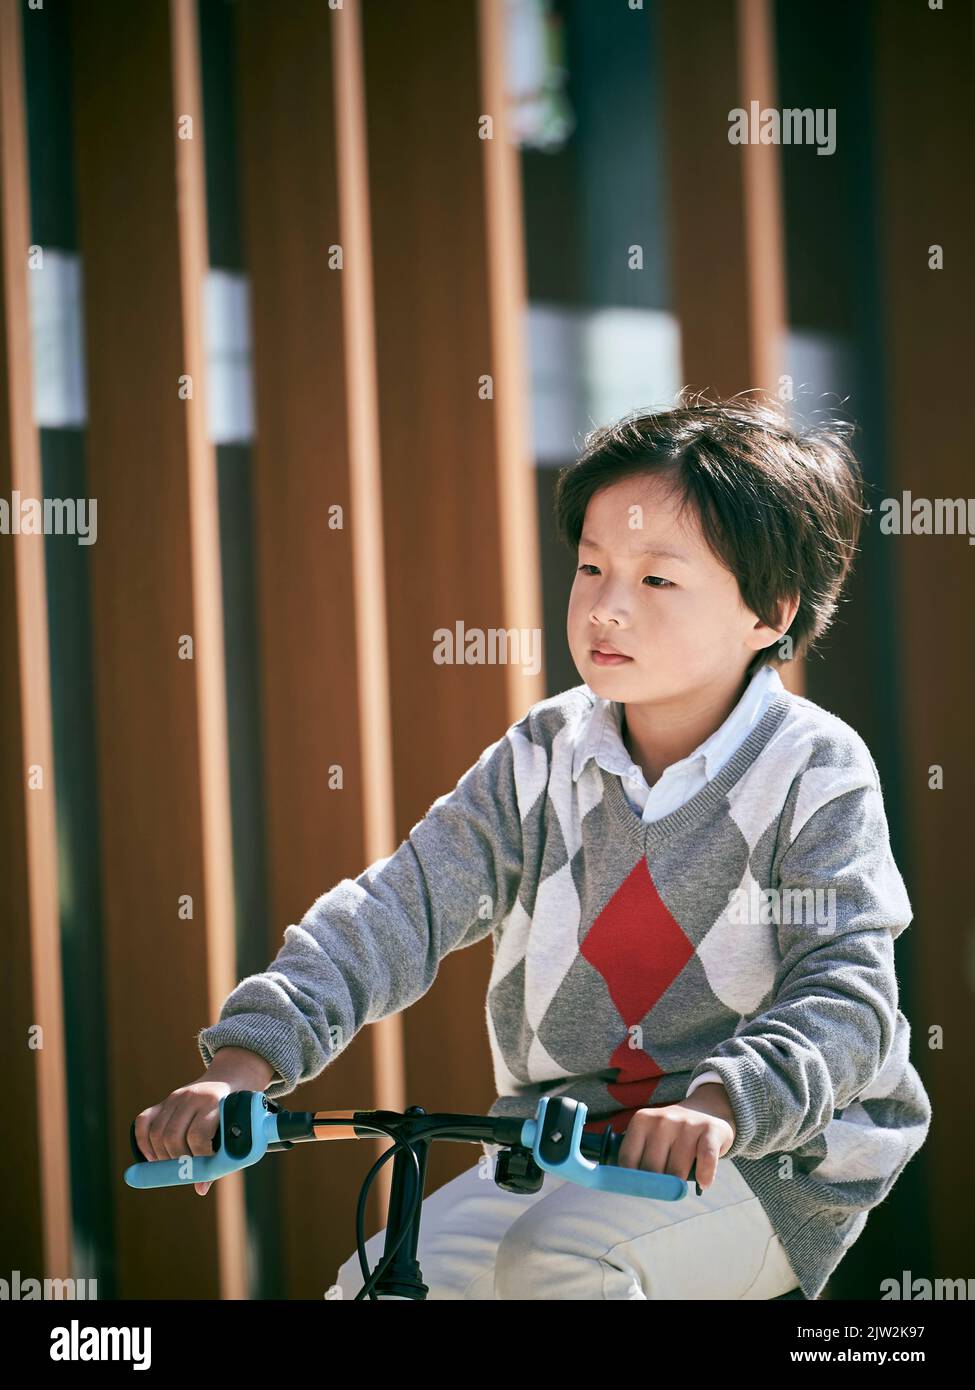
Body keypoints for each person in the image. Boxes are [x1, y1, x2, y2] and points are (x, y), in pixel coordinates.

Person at [135, 390, 932, 1300]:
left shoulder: (811, 767)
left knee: (561, 1265)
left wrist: (715, 1106)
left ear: (769, 612)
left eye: (656, 579)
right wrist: (246, 1062)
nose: (605, 608)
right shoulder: (542, 754)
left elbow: (848, 992)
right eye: (591, 568)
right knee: (373, 1284)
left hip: (771, 1155)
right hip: (553, 1144)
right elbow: (400, 906)